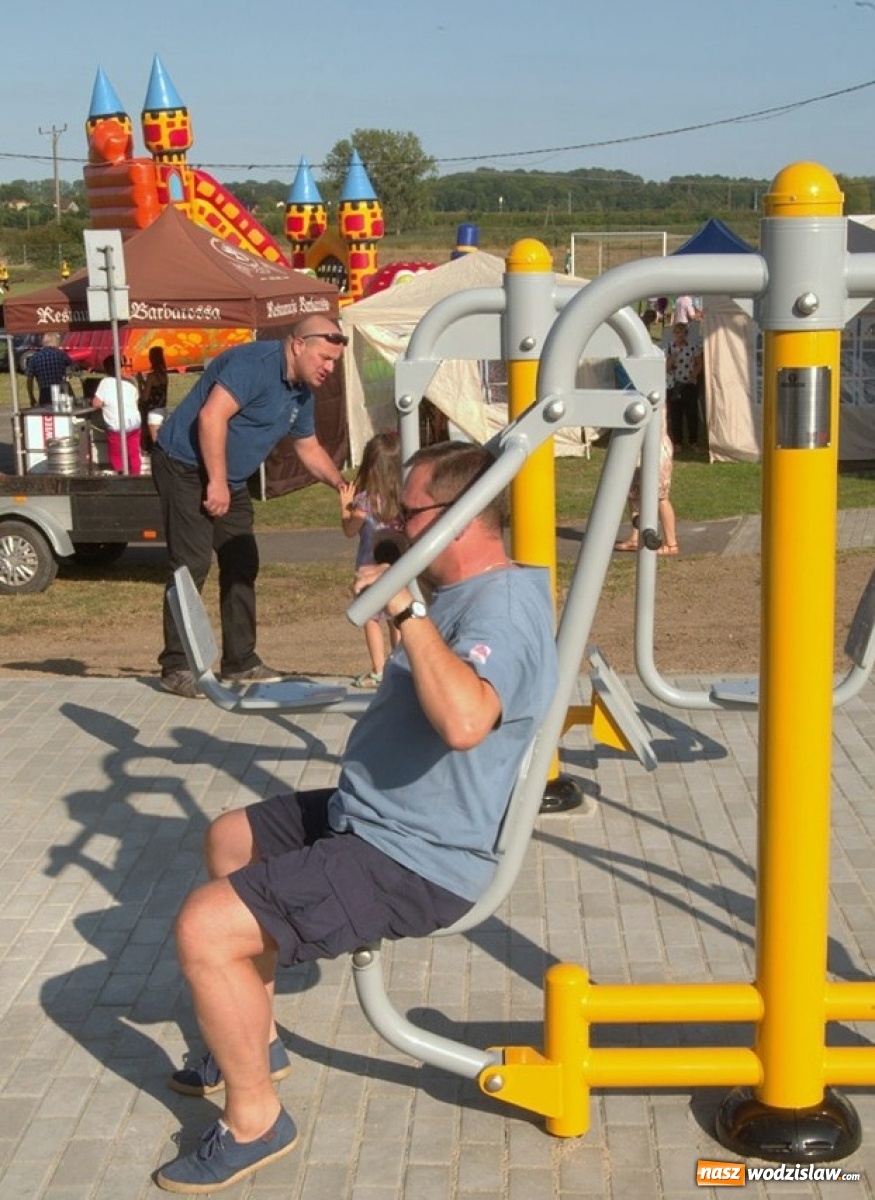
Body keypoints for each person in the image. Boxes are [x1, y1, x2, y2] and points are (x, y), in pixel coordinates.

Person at [154, 441, 558, 1193]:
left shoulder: (503, 608)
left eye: (407, 513)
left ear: (460, 517)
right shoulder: (465, 593)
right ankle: (256, 1037)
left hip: (417, 858)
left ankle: (255, 1121)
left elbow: (467, 721)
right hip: (370, 817)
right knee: (229, 838)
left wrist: (406, 610)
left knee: (203, 928)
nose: (393, 526)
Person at [151, 315, 347, 699]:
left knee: (242, 560)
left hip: (230, 477)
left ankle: (240, 662)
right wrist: (217, 482)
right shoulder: (253, 365)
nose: (329, 367)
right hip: (184, 466)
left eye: (334, 362)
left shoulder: (301, 393)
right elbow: (211, 417)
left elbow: (308, 448)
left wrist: (341, 484)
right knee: (191, 564)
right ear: (297, 345)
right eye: (324, 357)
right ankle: (175, 666)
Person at [339, 431, 403, 688]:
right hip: (398, 569)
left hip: (368, 571)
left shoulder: (364, 503)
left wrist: (345, 506)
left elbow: (349, 530)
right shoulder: (403, 499)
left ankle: (378, 669)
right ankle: (399, 665)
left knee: (372, 619)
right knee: (397, 617)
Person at [614, 402, 679, 556]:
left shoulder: (653, 395)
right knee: (634, 493)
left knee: (660, 496)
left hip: (656, 448)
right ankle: (635, 537)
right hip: (636, 447)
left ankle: (672, 544)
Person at [92, 356, 142, 475]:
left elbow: (96, 403)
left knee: (116, 453)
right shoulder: (131, 382)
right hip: (134, 422)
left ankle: (120, 475)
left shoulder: (105, 383)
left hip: (117, 424)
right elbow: (135, 400)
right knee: (134, 452)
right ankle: (136, 476)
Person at [665, 322, 703, 451]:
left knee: (691, 414)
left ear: (686, 334)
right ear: (673, 334)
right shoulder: (669, 348)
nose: (680, 336)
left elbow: (699, 363)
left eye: (683, 333)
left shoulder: (693, 347)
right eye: (677, 333)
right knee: (676, 414)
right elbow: (666, 367)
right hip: (674, 384)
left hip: (689, 384)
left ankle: (693, 441)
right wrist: (673, 357)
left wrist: (694, 374)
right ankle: (677, 442)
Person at [25, 332, 74, 407]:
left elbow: (29, 380)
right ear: (54, 341)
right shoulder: (61, 354)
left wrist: (31, 397)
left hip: (44, 393)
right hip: (61, 391)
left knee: (47, 415)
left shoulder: (34, 358)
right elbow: (73, 368)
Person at [136, 345, 169, 453]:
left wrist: (140, 383)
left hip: (153, 411)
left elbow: (145, 397)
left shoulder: (151, 376)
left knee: (156, 443)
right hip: (163, 409)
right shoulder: (164, 375)